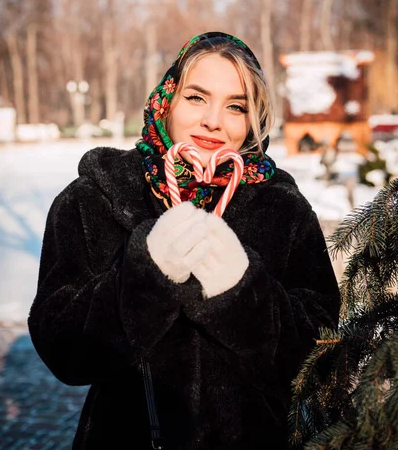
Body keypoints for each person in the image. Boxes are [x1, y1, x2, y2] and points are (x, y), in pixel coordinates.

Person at [28, 32, 340, 450]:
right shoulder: (93, 200)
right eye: (197, 97)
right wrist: (144, 277)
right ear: (166, 100)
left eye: (235, 106)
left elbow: (319, 357)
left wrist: (244, 290)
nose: (214, 120)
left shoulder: (282, 208)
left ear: (253, 120)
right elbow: (63, 349)